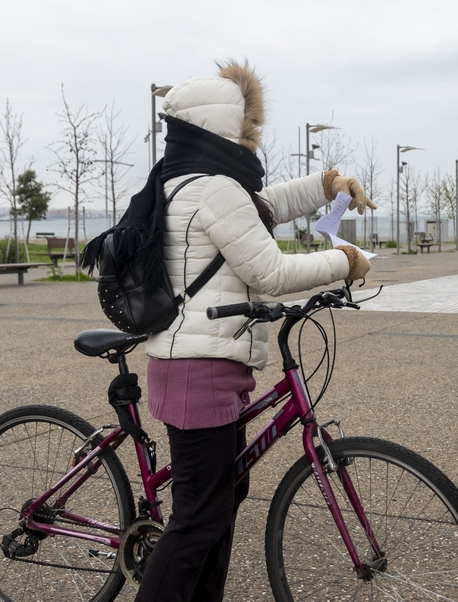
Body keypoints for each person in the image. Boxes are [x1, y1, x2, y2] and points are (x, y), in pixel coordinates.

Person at [127, 62, 374, 602]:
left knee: (221, 501)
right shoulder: (213, 190)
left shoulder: (195, 180)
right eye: (245, 129)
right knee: (197, 517)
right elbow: (271, 273)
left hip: (208, 364)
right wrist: (343, 260)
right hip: (199, 369)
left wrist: (326, 185)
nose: (250, 140)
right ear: (221, 127)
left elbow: (265, 207)